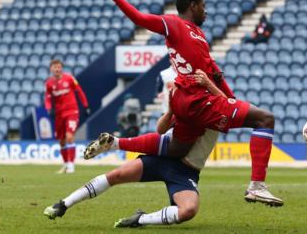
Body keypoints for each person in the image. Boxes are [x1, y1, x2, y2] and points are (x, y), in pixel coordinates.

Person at [89, 0, 282, 205]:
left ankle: (117, 143)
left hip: (187, 99)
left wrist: (230, 98)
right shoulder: (174, 24)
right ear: (192, 5)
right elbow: (140, 18)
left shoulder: (198, 35)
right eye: (203, 5)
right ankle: (257, 186)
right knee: (265, 119)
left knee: (176, 148)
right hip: (196, 99)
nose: (206, 11)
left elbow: (214, 72)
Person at [43, 70, 225, 228]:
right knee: (116, 175)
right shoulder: (191, 102)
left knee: (188, 210)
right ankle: (64, 204)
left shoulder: (219, 108)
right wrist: (170, 111)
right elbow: (160, 130)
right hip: (163, 156)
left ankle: (141, 219)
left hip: (186, 170)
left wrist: (209, 84)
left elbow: (226, 106)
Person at [45, 59, 90, 174]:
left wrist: (85, 105)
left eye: (59, 67)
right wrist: (49, 108)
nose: (57, 69)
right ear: (51, 69)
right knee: (61, 141)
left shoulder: (69, 78)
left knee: (69, 137)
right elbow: (48, 98)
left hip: (71, 111)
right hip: (59, 114)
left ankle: (71, 165)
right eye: (55, 67)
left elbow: (79, 91)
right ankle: (65, 164)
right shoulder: (49, 83)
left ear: (62, 68)